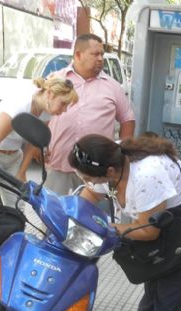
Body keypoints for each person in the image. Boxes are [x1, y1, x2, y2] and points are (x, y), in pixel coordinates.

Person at [68, 133, 181, 311]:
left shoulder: (146, 176)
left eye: (88, 177)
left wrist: (111, 229)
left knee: (170, 288)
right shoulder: (108, 159)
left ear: (110, 172)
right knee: (151, 279)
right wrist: (71, 218)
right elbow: (90, 194)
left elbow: (149, 232)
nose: (86, 181)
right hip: (156, 219)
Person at [44, 33, 135, 195]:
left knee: (94, 217)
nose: (100, 58)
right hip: (60, 166)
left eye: (102, 54)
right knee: (55, 214)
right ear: (78, 55)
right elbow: (41, 115)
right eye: (95, 54)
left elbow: (127, 120)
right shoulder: (57, 80)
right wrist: (39, 147)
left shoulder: (112, 87)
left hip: (97, 171)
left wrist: (121, 153)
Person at [0, 77, 78, 206]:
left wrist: (22, 172)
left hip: (13, 156)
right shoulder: (20, 104)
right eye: (63, 104)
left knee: (18, 205)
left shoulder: (47, 111)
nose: (64, 110)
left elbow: (33, 141)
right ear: (50, 94)